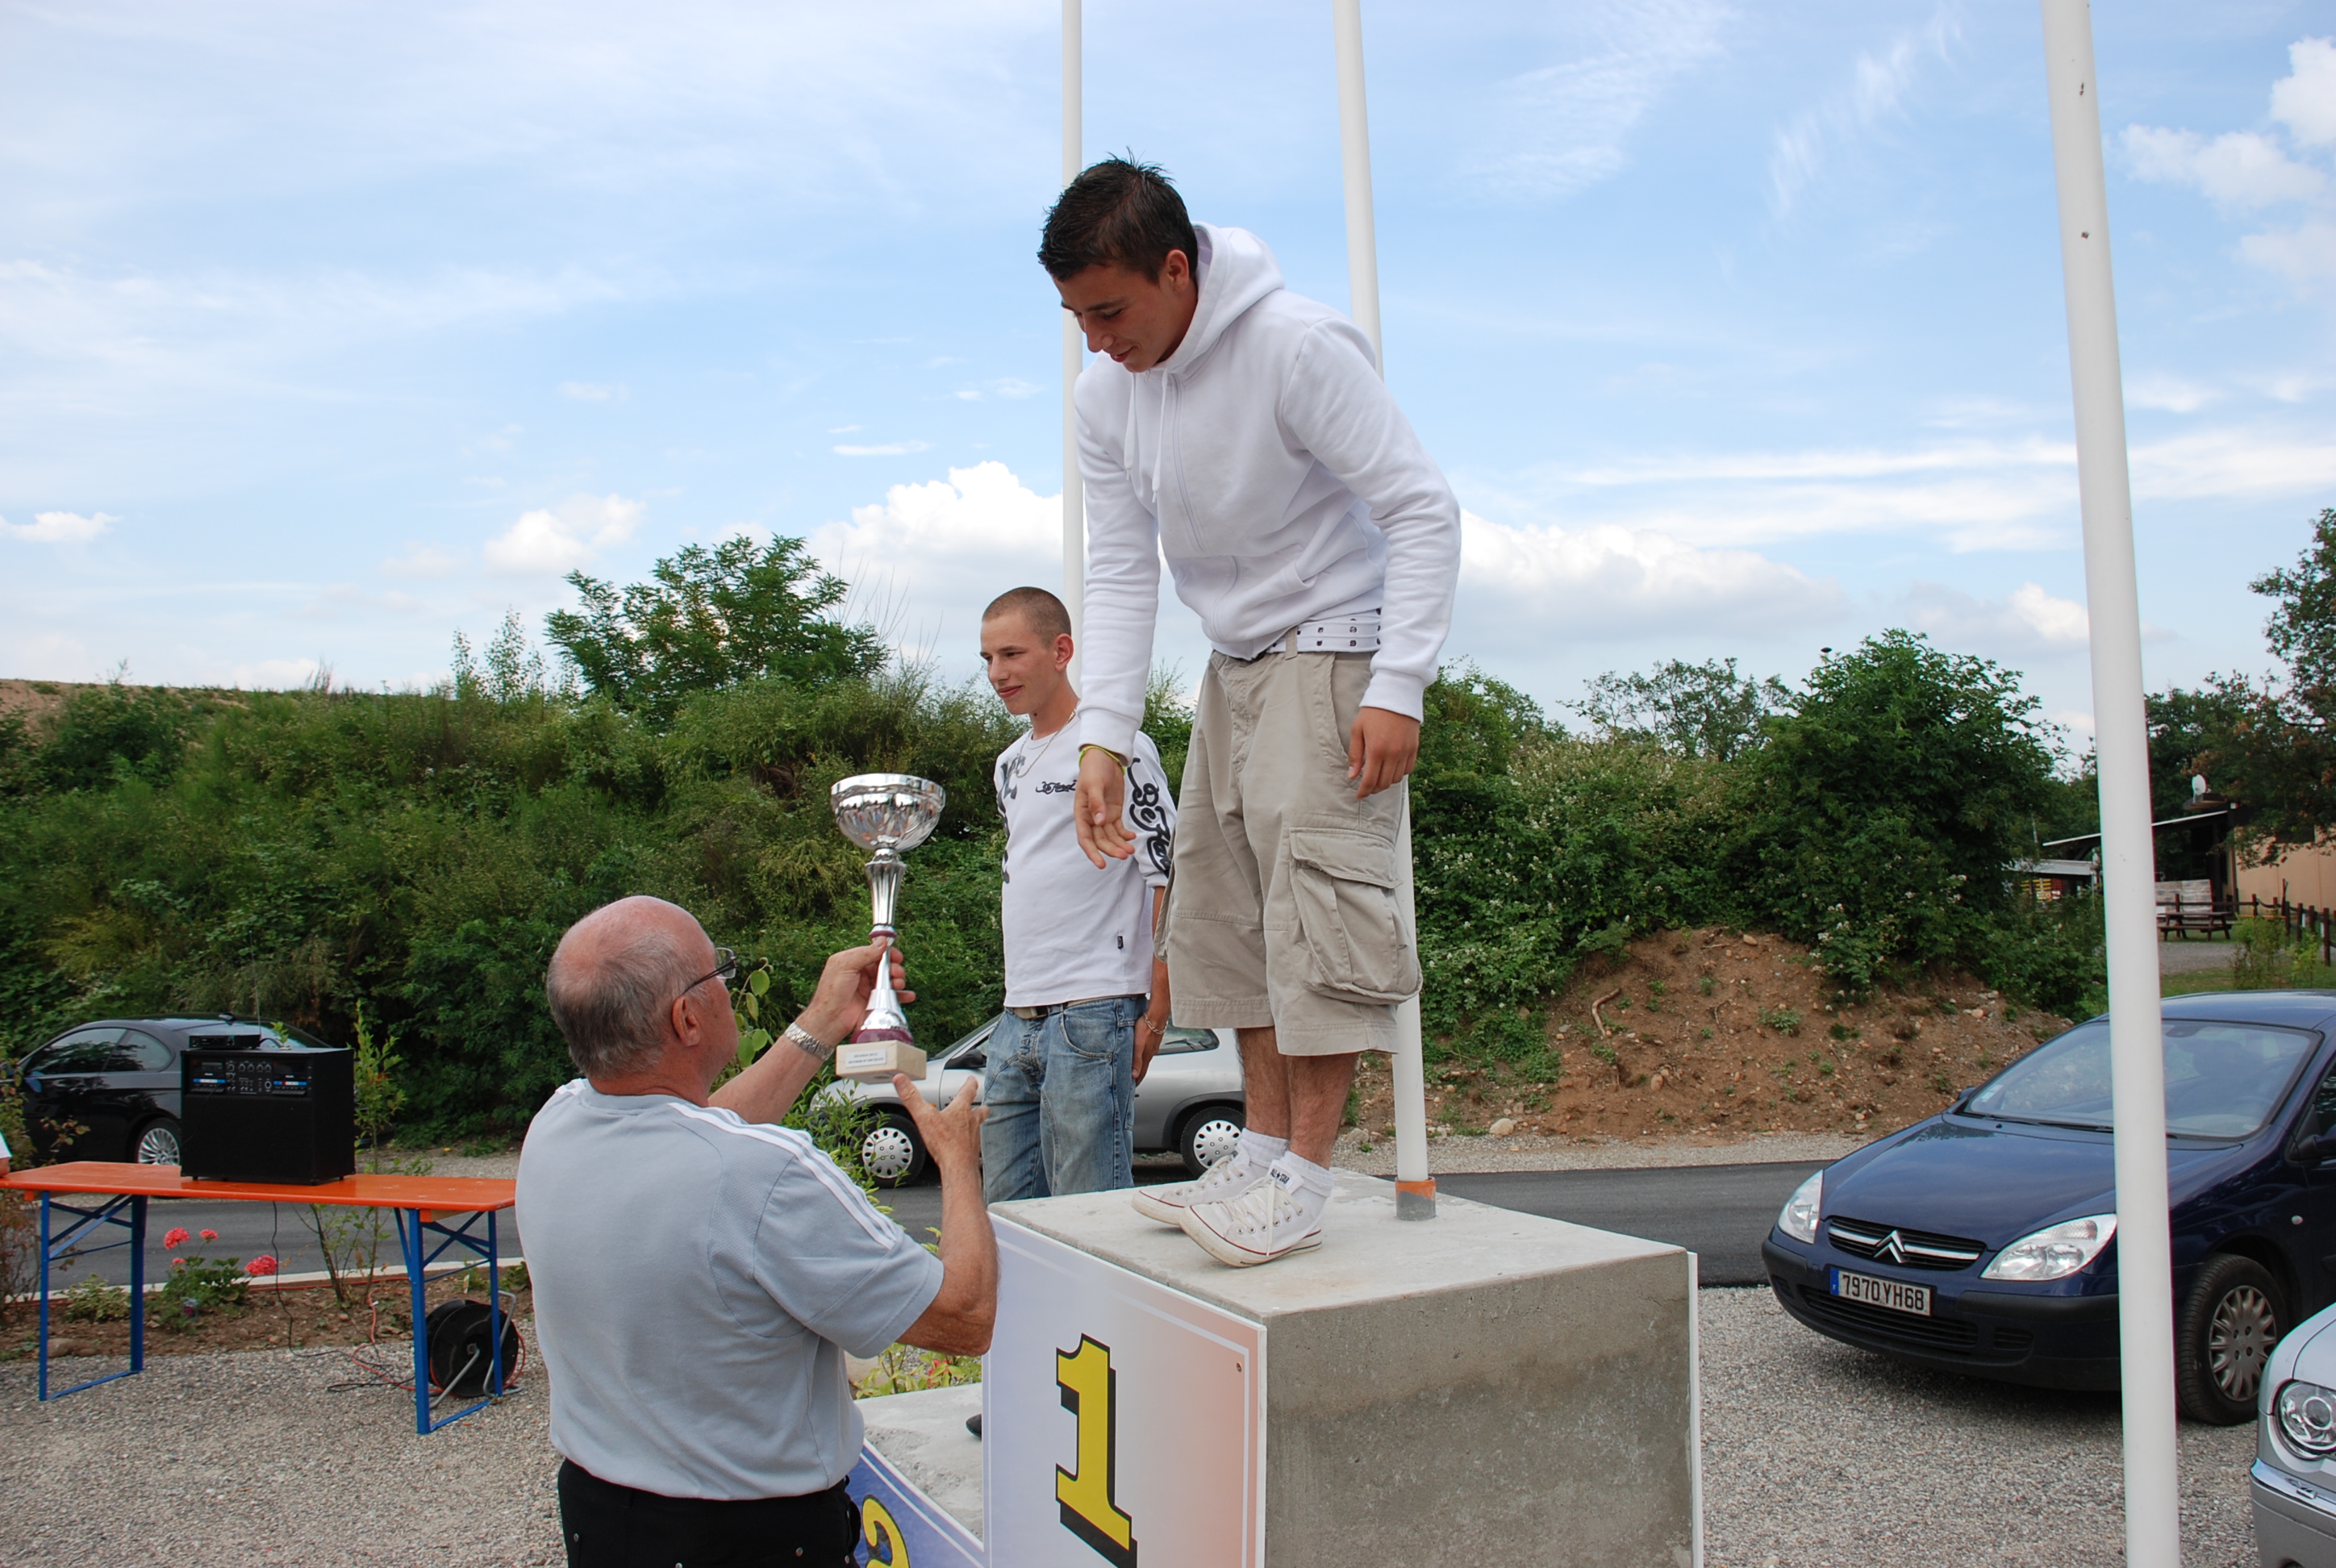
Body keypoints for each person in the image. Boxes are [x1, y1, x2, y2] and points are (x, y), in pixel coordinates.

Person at [1040, 158, 1460, 1267]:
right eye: (1077, 318)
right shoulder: (1104, 396)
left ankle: (1306, 1177)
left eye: (1111, 312)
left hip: (1336, 648)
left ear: (1177, 270)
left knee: (1318, 909)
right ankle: (1262, 1151)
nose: (1097, 341)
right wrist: (1102, 735)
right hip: (1231, 667)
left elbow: (1422, 508)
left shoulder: (1295, 346)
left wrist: (1398, 685)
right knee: (1227, 918)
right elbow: (1120, 569)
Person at [515, 895, 995, 1567]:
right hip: (749, 1540)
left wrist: (822, 1024)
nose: (727, 985)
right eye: (719, 973)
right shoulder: (767, 1174)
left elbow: (701, 1129)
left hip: (600, 1520)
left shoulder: (559, 1122)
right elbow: (964, 1319)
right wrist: (958, 1162)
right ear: (687, 1018)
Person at [978, 585, 1176, 1203]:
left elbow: (1170, 874)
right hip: (1015, 1015)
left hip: (1094, 1010)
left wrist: (1157, 1012)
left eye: (1012, 654)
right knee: (1007, 1219)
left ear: (1061, 651)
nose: (998, 673)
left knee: (1089, 1215)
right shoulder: (1008, 764)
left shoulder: (1117, 750)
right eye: (988, 659)